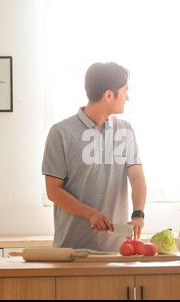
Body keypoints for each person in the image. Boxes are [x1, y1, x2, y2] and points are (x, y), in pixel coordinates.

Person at [42, 62, 147, 252]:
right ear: (109, 95)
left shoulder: (125, 130)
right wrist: (90, 213)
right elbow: (53, 190)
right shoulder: (61, 133)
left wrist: (138, 213)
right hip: (72, 252)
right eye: (125, 92)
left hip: (118, 251)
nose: (128, 97)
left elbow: (137, 177)